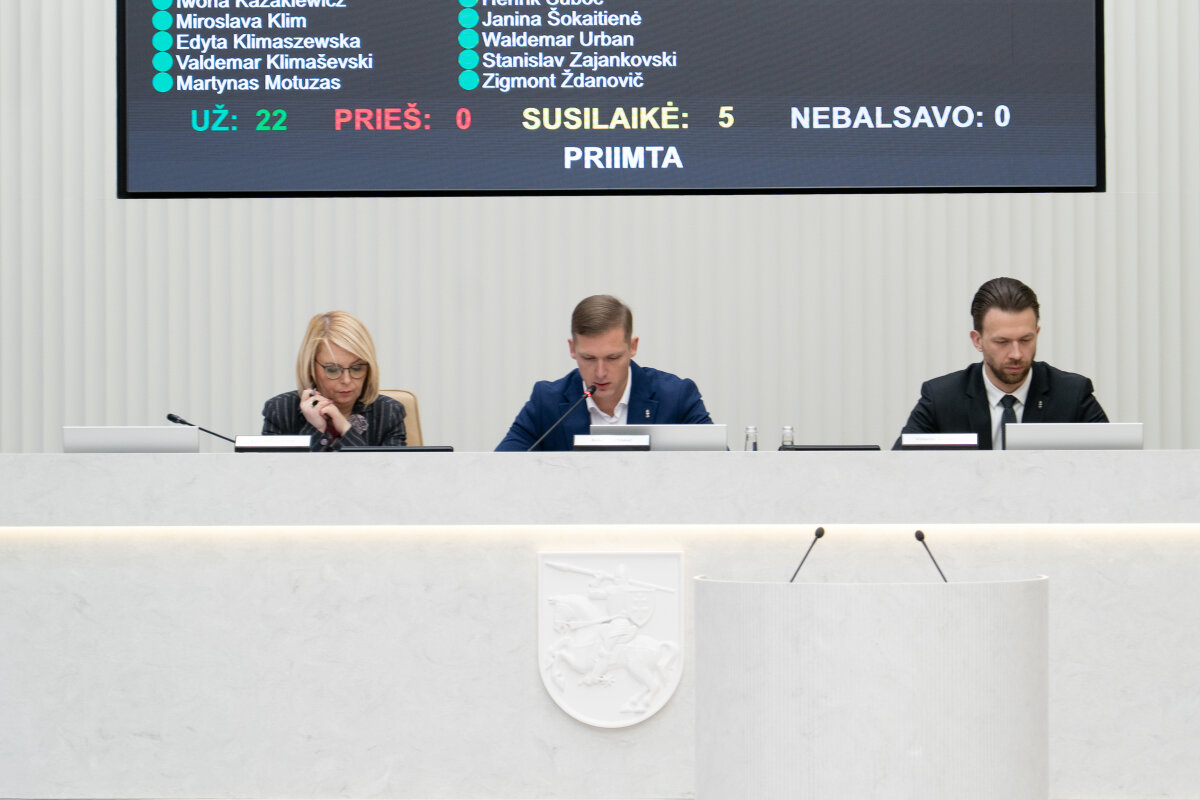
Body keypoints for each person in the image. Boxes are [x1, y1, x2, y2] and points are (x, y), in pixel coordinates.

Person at [894, 277, 1108, 450]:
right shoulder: (942, 398)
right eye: (1002, 342)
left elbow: (1116, 466)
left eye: (1026, 340)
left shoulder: (1072, 395)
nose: (1016, 354)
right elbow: (898, 469)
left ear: (1037, 333)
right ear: (977, 340)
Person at [496, 295, 713, 451]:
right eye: (589, 358)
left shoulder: (676, 397)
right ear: (573, 349)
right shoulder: (547, 402)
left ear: (632, 347)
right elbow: (501, 471)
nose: (600, 373)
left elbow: (721, 469)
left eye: (612, 358)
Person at [262, 311, 406, 451]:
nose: (346, 380)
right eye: (333, 370)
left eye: (357, 368)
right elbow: (275, 468)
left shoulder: (389, 413)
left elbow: (387, 468)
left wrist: (345, 429)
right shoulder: (279, 411)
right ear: (311, 368)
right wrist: (315, 429)